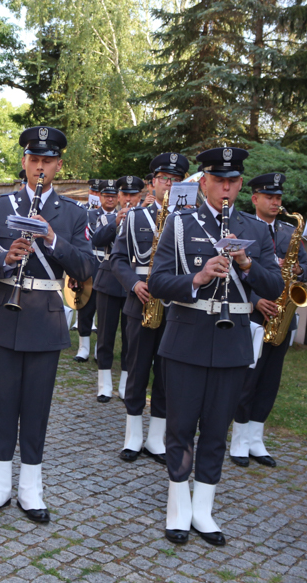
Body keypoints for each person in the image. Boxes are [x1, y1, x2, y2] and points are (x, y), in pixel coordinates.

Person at [149, 146, 283, 546]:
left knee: (215, 430)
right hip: (187, 336)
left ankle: (204, 509)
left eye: (233, 182)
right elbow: (157, 282)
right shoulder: (178, 222)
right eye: (218, 181)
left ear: (241, 185)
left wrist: (245, 264)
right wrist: (198, 276)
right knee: (181, 425)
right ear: (204, 182)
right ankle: (178, 507)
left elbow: (274, 286)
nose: (226, 188)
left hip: (232, 342)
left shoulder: (255, 230)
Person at [0, 126, 94, 523]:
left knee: (36, 406)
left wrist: (55, 239)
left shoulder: (74, 213)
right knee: (3, 402)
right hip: (5, 306)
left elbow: (88, 267)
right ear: (24, 162)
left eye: (47, 161)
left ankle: (31, 488)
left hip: (44, 312)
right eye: (33, 159)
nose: (40, 167)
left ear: (58, 165)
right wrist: (5, 258)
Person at [229, 173, 307, 467]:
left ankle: (256, 439)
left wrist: (297, 272)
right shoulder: (242, 227)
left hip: (281, 317)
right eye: (270, 197)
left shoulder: (289, 231)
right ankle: (239, 441)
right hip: (253, 314)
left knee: (269, 382)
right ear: (255, 199)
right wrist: (255, 301)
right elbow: (231, 273)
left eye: (279, 198)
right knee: (247, 381)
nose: (276, 202)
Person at [111, 153, 189, 463]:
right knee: (138, 368)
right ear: (152, 182)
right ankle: (132, 435)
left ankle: (157, 438)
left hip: (177, 306)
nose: (169, 184)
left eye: (176, 180)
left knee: (167, 374)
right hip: (141, 301)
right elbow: (117, 259)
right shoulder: (134, 217)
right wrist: (133, 283)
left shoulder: (189, 220)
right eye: (164, 179)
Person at [90, 177, 139, 399]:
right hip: (109, 281)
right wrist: (115, 223)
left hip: (134, 282)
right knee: (105, 333)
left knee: (131, 337)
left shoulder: (148, 218)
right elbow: (96, 240)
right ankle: (104, 385)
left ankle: (126, 384)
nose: (128, 199)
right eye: (124, 195)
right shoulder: (105, 216)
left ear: (140, 196)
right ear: (119, 197)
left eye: (133, 195)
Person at [74, 179, 118, 365]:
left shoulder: (124, 216)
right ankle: (83, 347)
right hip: (91, 264)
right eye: (106, 196)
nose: (110, 199)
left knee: (106, 313)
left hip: (111, 268)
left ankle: (100, 349)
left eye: (113, 196)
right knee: (85, 307)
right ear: (99, 196)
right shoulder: (88, 214)